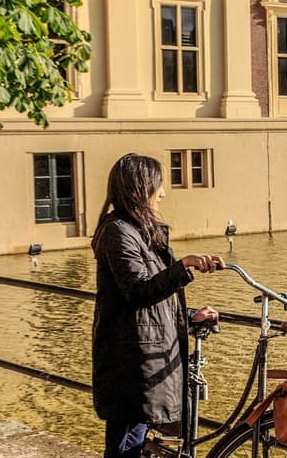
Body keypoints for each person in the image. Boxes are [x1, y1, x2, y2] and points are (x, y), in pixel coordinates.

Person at [90, 153, 223, 458]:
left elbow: (149, 302)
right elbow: (137, 292)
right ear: (140, 187)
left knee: (134, 440)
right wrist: (184, 266)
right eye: (158, 185)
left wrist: (190, 316)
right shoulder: (118, 232)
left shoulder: (139, 231)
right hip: (129, 362)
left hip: (141, 358)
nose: (163, 192)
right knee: (125, 445)